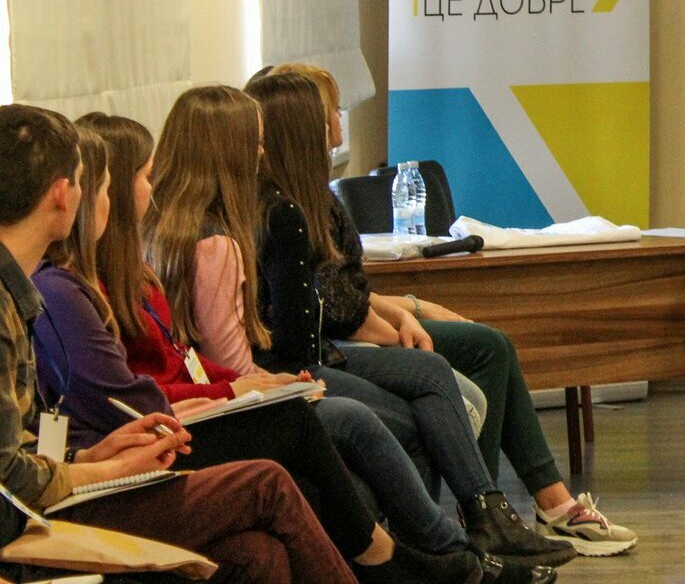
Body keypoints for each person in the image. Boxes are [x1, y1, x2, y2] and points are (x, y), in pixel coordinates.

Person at [30, 121, 512, 584]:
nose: (148, 191)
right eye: (140, 178)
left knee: (268, 538)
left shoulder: (126, 273)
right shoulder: (66, 290)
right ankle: (413, 553)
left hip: (169, 420)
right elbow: (131, 399)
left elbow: (183, 358)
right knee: (320, 424)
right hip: (138, 444)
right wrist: (236, 390)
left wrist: (243, 385)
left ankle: (438, 546)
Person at [146, 84, 574, 569]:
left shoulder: (186, 227)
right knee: (419, 402)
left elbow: (334, 300)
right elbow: (277, 343)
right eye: (256, 143)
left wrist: (401, 312)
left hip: (253, 379)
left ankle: (470, 536)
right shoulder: (240, 231)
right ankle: (447, 552)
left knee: (449, 366)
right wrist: (394, 321)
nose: (338, 122)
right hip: (259, 382)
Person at [269, 61, 638, 556]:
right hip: (335, 347)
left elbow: (346, 289)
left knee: (490, 345)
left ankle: (524, 509)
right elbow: (339, 309)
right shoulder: (287, 208)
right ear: (306, 123)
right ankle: (496, 513)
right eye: (332, 109)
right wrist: (401, 328)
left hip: (352, 332)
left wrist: (411, 308)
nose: (340, 118)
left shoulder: (316, 193)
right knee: (483, 351)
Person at [0, 103, 360, 584]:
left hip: (52, 487)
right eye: (91, 183)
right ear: (62, 194)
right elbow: (13, 483)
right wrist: (107, 469)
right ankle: (384, 557)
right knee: (269, 480)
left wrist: (87, 457)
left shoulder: (23, 291)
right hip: (27, 525)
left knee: (257, 553)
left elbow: (24, 447)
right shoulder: (30, 297)